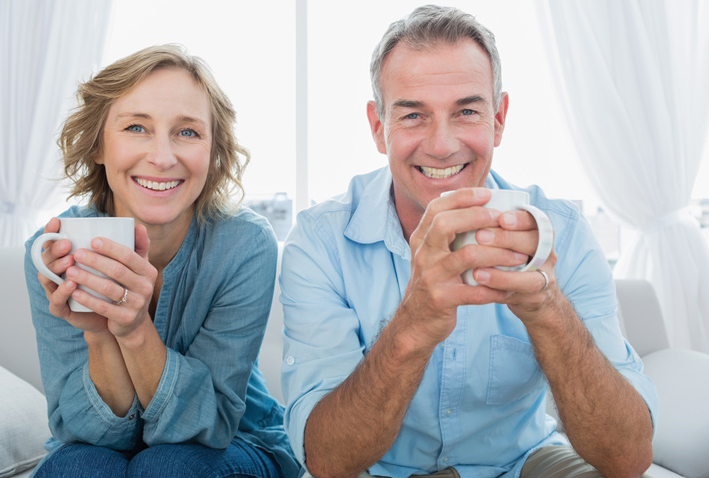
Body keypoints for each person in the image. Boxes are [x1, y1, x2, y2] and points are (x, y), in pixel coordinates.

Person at [280, 5, 657, 478]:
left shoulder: (563, 232)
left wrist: (547, 311)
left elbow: (627, 458)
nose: (441, 145)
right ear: (380, 127)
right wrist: (414, 324)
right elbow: (328, 461)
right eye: (414, 115)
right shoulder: (320, 243)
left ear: (498, 118)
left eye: (467, 111)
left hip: (522, 463)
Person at [24, 44, 301, 478]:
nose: (163, 156)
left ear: (213, 154)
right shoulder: (51, 253)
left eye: (188, 132)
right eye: (137, 127)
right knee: (76, 468)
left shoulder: (244, 244)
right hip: (96, 447)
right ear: (98, 145)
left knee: (167, 466)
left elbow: (210, 426)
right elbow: (87, 431)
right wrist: (99, 337)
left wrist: (134, 331)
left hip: (237, 440)